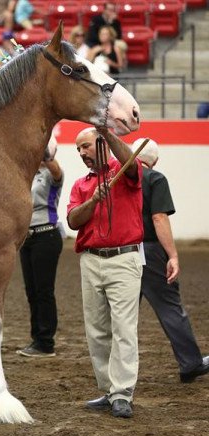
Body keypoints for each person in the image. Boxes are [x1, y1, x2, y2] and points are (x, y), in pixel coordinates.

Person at [67, 126, 144, 419]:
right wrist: (93, 200)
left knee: (123, 327)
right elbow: (74, 220)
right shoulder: (80, 185)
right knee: (97, 330)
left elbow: (133, 164)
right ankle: (110, 389)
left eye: (86, 146)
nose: (82, 153)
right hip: (90, 260)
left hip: (124, 260)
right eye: (78, 149)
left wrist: (107, 132)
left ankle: (122, 393)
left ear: (102, 144)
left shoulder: (124, 171)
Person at [132, 138, 209, 383]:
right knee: (169, 307)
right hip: (150, 251)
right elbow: (159, 218)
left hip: (120, 250)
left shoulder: (118, 178)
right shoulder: (154, 178)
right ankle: (190, 363)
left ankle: (115, 372)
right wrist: (173, 255)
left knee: (122, 314)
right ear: (154, 161)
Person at [16, 136, 64, 358]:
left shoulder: (52, 175)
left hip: (46, 235)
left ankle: (46, 341)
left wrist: (44, 151)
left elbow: (56, 170)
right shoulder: (26, 174)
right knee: (31, 291)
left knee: (44, 291)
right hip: (28, 237)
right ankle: (37, 337)